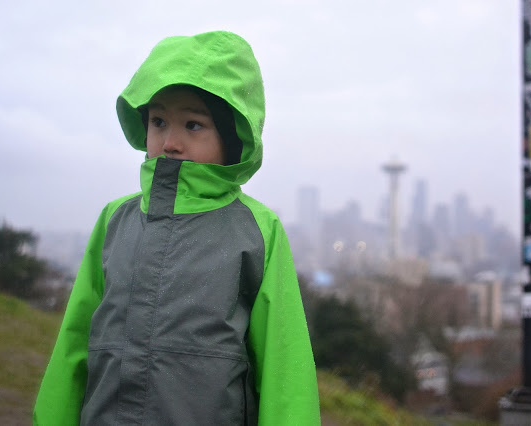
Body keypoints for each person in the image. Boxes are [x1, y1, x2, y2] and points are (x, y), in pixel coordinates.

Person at [33, 31, 320, 425]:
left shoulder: (257, 230)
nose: (170, 142)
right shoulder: (115, 219)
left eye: (193, 124)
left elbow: (284, 367)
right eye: (158, 121)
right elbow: (74, 343)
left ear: (231, 135)